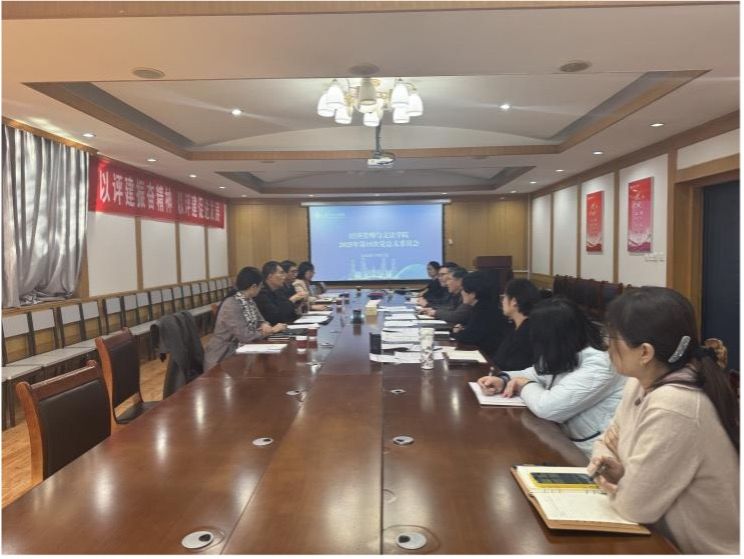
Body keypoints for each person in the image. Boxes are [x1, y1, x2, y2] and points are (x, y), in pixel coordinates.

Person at [586, 287, 738, 554]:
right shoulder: (640, 383)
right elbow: (605, 443)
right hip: (657, 536)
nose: (607, 346)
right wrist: (621, 472)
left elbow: (633, 507)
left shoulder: (675, 405)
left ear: (645, 352)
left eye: (613, 337)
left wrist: (623, 481)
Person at [477, 297, 624, 456]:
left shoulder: (600, 364)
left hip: (589, 453)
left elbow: (548, 407)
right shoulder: (565, 350)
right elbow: (535, 373)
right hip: (560, 439)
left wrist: (524, 385)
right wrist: (504, 380)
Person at [203, 267, 286, 371]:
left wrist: (264, 324)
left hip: (242, 351)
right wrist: (272, 330)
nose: (261, 289)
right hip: (223, 357)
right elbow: (246, 336)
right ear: (253, 287)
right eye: (260, 286)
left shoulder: (249, 300)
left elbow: (260, 320)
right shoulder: (231, 305)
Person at [450, 271, 509, 356]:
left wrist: (456, 332)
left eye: (463, 289)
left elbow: (469, 337)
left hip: (487, 357)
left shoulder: (483, 310)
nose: (461, 292)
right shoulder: (482, 306)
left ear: (473, 294)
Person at [491, 278, 541, 371]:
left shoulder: (526, 332)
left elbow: (509, 366)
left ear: (514, 301)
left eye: (504, 297)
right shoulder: (519, 326)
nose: (502, 301)